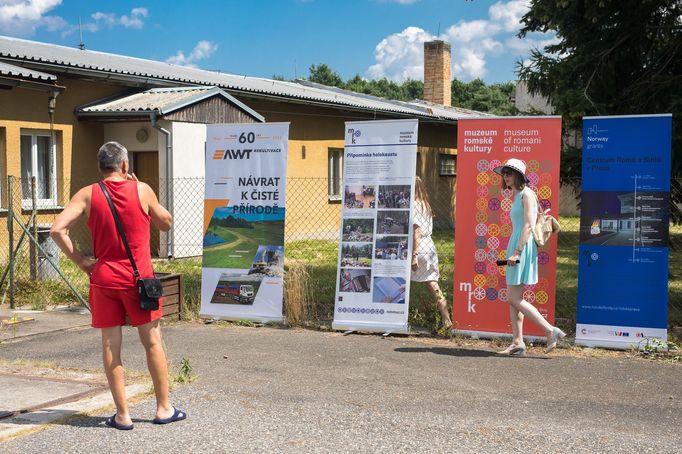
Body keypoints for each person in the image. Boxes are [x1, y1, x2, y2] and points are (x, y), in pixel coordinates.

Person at [50, 141, 186, 429]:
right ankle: (164, 409)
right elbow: (165, 223)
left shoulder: (87, 194)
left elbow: (56, 229)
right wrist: (144, 193)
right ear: (125, 165)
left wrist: (80, 260)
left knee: (111, 345)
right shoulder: (142, 189)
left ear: (100, 167)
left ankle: (122, 415)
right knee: (152, 342)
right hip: (139, 281)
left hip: (104, 279)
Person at [493, 158, 565, 355]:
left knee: (514, 298)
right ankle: (518, 343)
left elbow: (528, 225)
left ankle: (550, 330)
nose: (506, 176)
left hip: (521, 248)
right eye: (504, 173)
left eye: (509, 173)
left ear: (519, 175)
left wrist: (517, 252)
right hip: (517, 245)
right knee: (514, 297)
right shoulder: (517, 195)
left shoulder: (527, 195)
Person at [411, 176, 451, 329]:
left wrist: (414, 255)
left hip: (418, 247)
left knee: (399, 279)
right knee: (432, 284)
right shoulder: (425, 204)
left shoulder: (413, 205)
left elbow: (417, 231)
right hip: (429, 246)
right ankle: (446, 318)